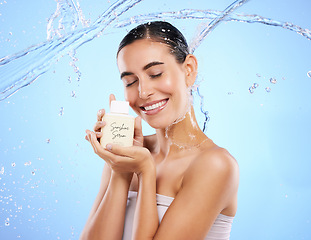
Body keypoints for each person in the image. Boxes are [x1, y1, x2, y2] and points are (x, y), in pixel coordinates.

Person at [80, 21, 239, 240]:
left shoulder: (215, 165)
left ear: (189, 70)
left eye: (155, 74)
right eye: (130, 81)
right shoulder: (125, 156)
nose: (143, 91)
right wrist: (120, 172)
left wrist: (146, 171)